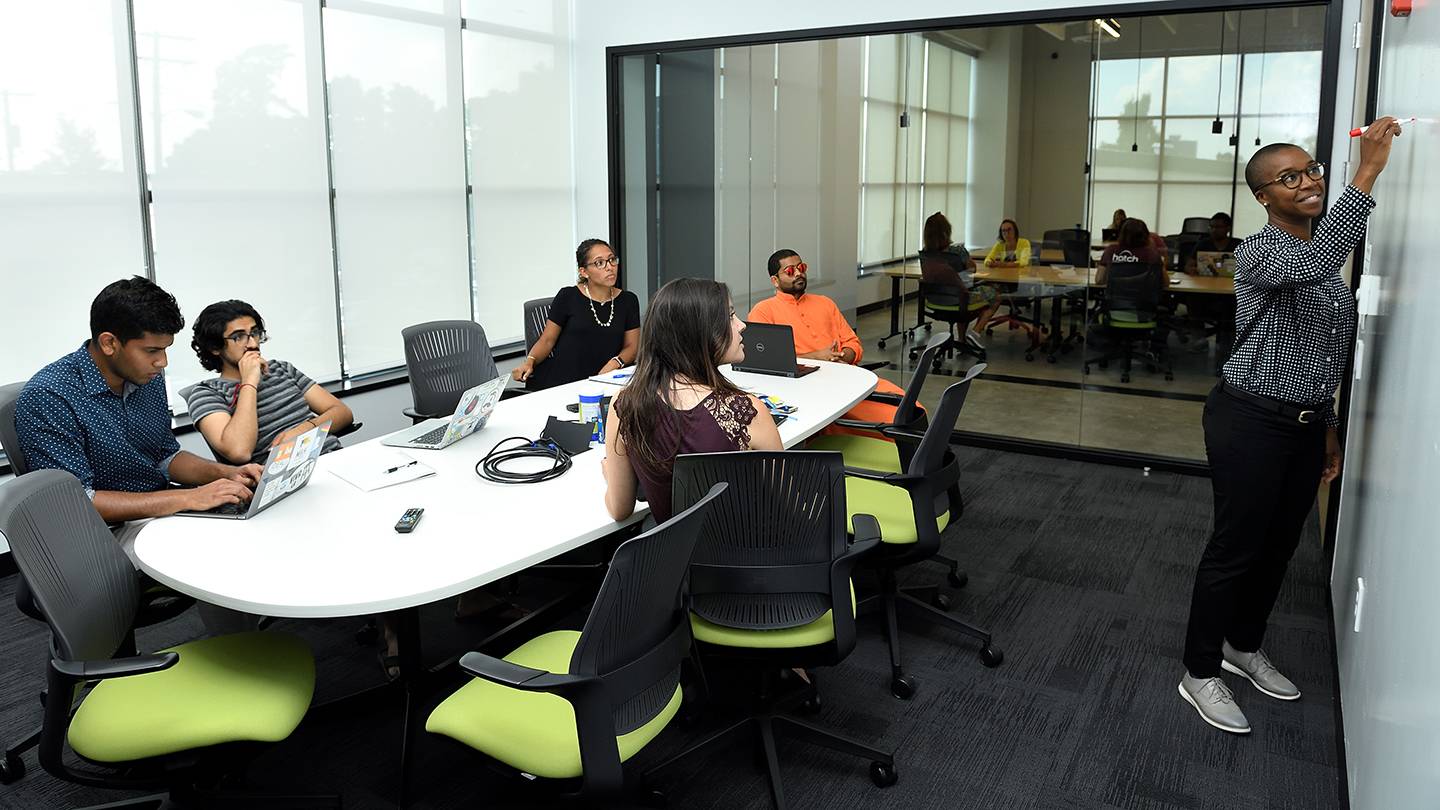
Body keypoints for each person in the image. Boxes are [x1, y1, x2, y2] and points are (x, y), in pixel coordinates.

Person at [1178, 118, 1401, 735]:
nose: (1307, 182)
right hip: (1247, 418)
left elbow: (1322, 354)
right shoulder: (1260, 252)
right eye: (1288, 177)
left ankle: (1242, 646)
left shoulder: (1323, 266)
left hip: (1303, 425)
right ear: (1264, 197)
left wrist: (1325, 426)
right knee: (1235, 546)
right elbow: (1322, 255)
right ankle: (1199, 671)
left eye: (1311, 171)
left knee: (1280, 545)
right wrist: (1367, 172)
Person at [14, 277, 263, 633]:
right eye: (151, 351)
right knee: (215, 548)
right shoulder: (50, 397)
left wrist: (222, 473)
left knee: (245, 513)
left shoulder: (146, 375)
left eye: (165, 350)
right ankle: (241, 657)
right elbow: (77, 503)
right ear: (109, 343)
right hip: (98, 534)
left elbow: (164, 455)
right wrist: (188, 498)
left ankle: (246, 644)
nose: (162, 362)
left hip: (156, 508)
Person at [603, 278, 782, 523]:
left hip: (675, 558)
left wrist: (608, 474)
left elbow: (619, 510)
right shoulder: (746, 411)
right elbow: (783, 500)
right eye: (730, 316)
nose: (741, 326)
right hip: (746, 555)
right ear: (699, 332)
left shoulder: (624, 405)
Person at [747, 249, 908, 427]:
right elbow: (767, 362)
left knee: (908, 405)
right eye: (790, 271)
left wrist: (840, 356)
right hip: (805, 390)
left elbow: (853, 344)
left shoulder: (825, 303)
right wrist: (818, 357)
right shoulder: (763, 312)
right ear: (775, 281)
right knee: (893, 419)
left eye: (801, 267)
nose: (799, 273)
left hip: (845, 376)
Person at [186, 300, 352, 465]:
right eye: (238, 337)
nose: (252, 344)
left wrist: (304, 430)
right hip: (285, 479)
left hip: (334, 459)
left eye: (254, 333)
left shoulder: (282, 369)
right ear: (215, 347)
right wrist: (249, 382)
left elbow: (343, 413)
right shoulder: (206, 393)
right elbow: (239, 452)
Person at [512, 238, 641, 390]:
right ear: (584, 271)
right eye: (599, 263)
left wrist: (615, 363)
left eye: (612, 260)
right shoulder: (567, 296)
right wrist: (530, 361)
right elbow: (547, 340)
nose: (609, 267)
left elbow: (632, 347)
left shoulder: (628, 300)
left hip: (607, 379)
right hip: (565, 380)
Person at [918, 211, 998, 346]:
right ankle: (975, 332)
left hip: (934, 300)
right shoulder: (958, 251)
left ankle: (962, 340)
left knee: (961, 292)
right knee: (995, 296)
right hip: (959, 299)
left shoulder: (925, 254)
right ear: (946, 231)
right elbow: (972, 269)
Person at [1096, 218, 1170, 289]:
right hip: (1144, 299)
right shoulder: (1152, 254)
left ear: (1121, 234)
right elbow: (1165, 283)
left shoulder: (1111, 250)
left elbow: (1099, 279)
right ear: (1146, 235)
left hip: (1116, 300)